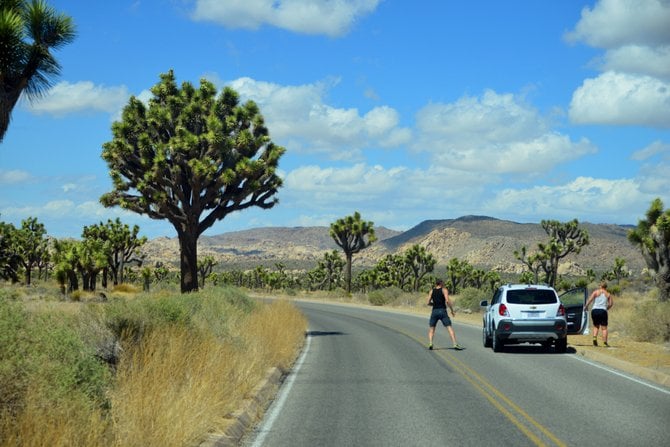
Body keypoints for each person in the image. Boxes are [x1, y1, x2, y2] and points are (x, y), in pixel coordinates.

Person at [427, 279, 463, 350]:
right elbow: (447, 301)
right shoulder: (444, 290)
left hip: (434, 311)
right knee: (449, 327)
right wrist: (452, 310)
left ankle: (430, 343)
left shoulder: (431, 291)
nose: (444, 284)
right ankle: (455, 344)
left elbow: (428, 302)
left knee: (432, 328)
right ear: (440, 283)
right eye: (443, 283)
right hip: (442, 311)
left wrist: (434, 304)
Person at [584, 281, 614, 347]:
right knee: (604, 328)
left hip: (595, 310)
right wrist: (607, 308)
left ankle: (594, 339)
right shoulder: (608, 294)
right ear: (605, 287)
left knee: (596, 326)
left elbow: (590, 300)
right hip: (603, 311)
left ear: (601, 286)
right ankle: (605, 343)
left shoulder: (596, 292)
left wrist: (586, 307)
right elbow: (611, 304)